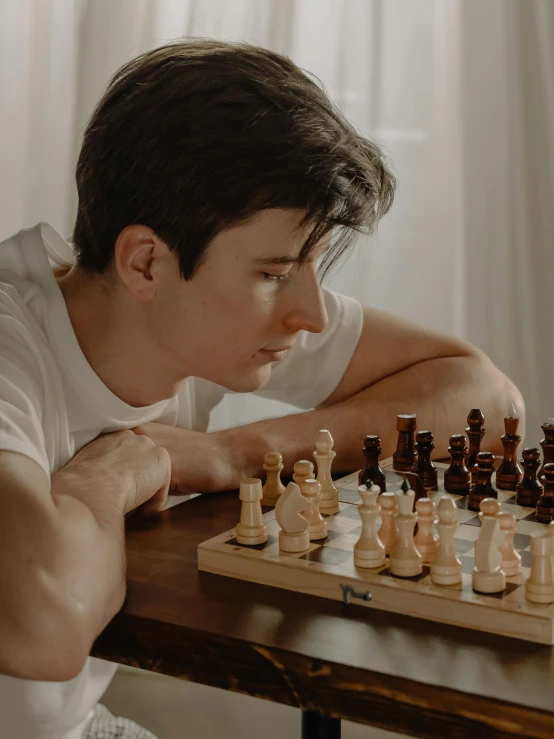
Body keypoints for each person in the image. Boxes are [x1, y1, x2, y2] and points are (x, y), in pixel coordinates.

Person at [0, 38, 522, 739]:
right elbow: (44, 628)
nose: (308, 313)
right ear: (146, 262)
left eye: (310, 266)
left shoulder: (200, 314)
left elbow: (486, 397)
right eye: (275, 274)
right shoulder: (12, 344)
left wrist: (236, 451)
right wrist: (107, 476)